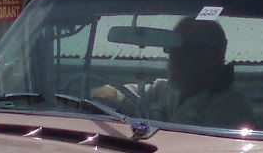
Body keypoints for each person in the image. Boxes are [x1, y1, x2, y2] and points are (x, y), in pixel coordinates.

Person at [94, 18, 253, 129]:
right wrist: (95, 99)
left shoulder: (231, 106)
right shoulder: (163, 89)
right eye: (172, 49)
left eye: (187, 50)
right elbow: (118, 95)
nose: (175, 58)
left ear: (215, 54)